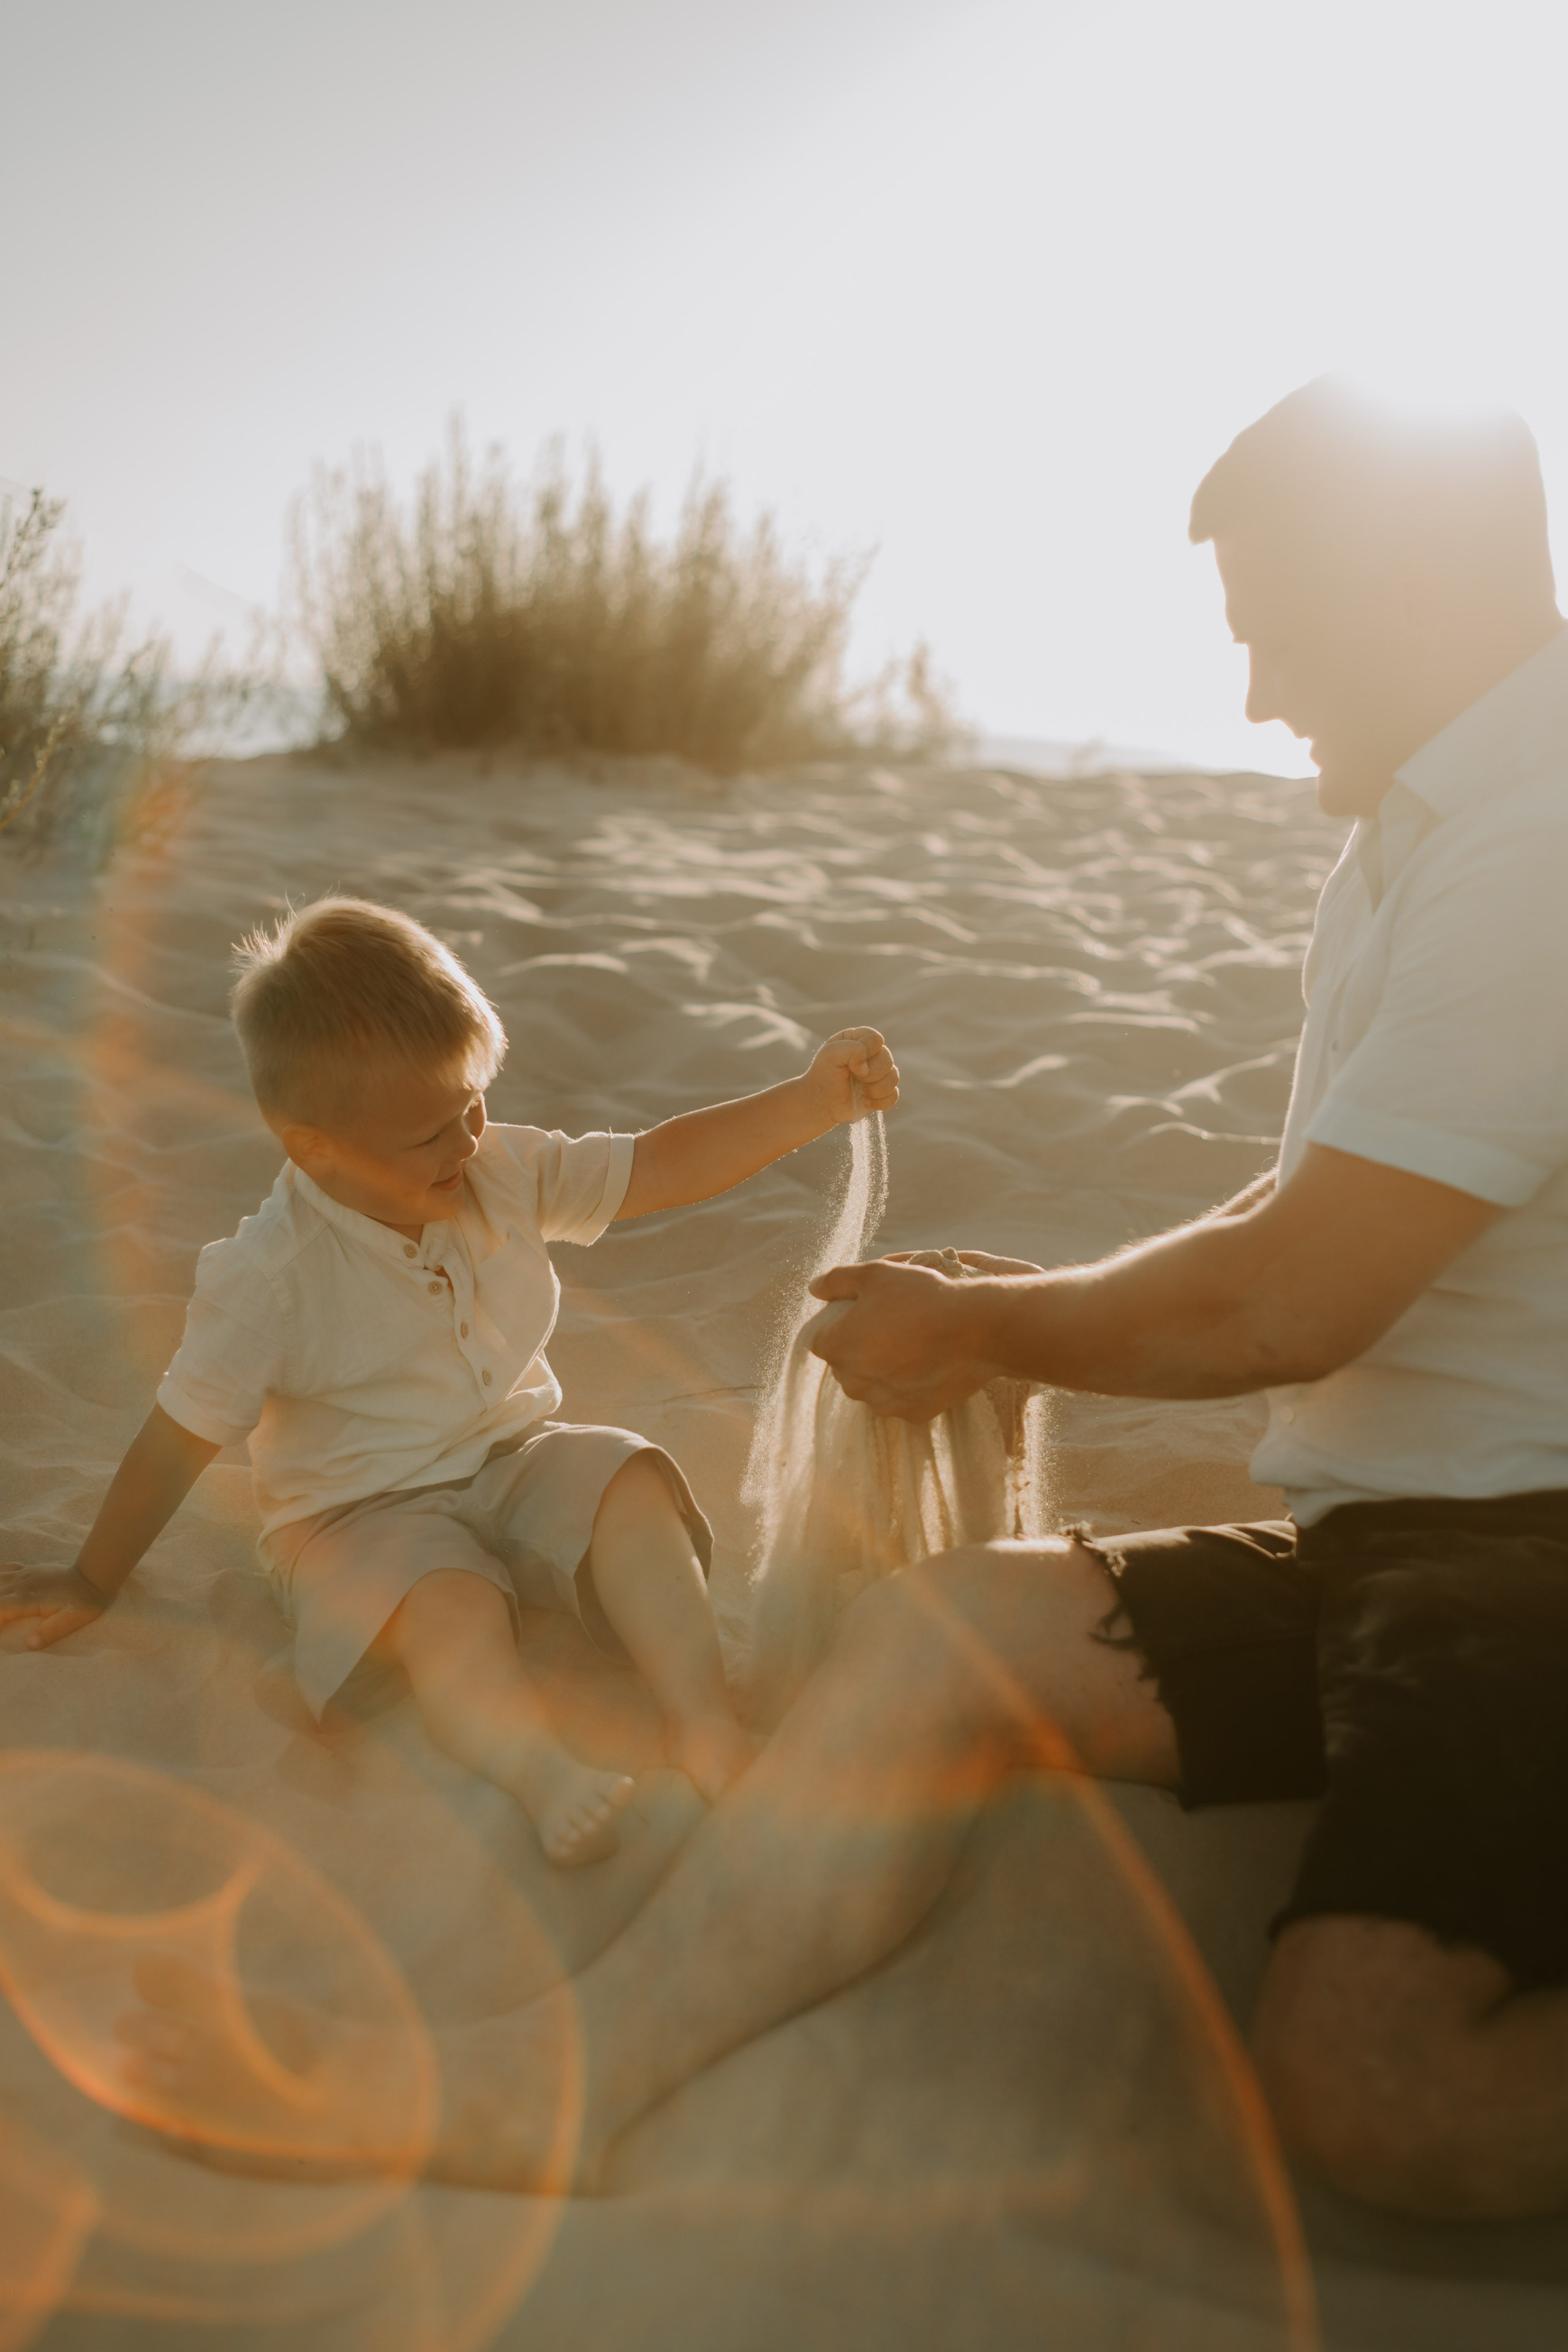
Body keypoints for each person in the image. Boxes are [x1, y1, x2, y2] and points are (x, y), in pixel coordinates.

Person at [119, 379, 1568, 2221]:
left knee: (1366, 2090)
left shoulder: (1539, 845)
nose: (1259, 696)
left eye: (1282, 639)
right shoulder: (1410, 838)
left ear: (1417, 596)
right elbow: (1319, 1208)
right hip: (1386, 1537)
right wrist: (1051, 1293)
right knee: (945, 1640)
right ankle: (562, 2087)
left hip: (1533, 1560)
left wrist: (989, 1335)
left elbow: (1301, 1298)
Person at [0, 898, 899, 1866]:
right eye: (431, 1133)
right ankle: (542, 1774)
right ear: (316, 1148)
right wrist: (95, 1577)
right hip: (356, 1516)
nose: (468, 1139)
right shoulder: (268, 1276)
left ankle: (703, 1721)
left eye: (474, 1101)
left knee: (630, 1478)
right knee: (448, 1604)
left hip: (514, 1456)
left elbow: (658, 1167)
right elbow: (179, 1434)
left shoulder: (500, 1166)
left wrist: (812, 1101)